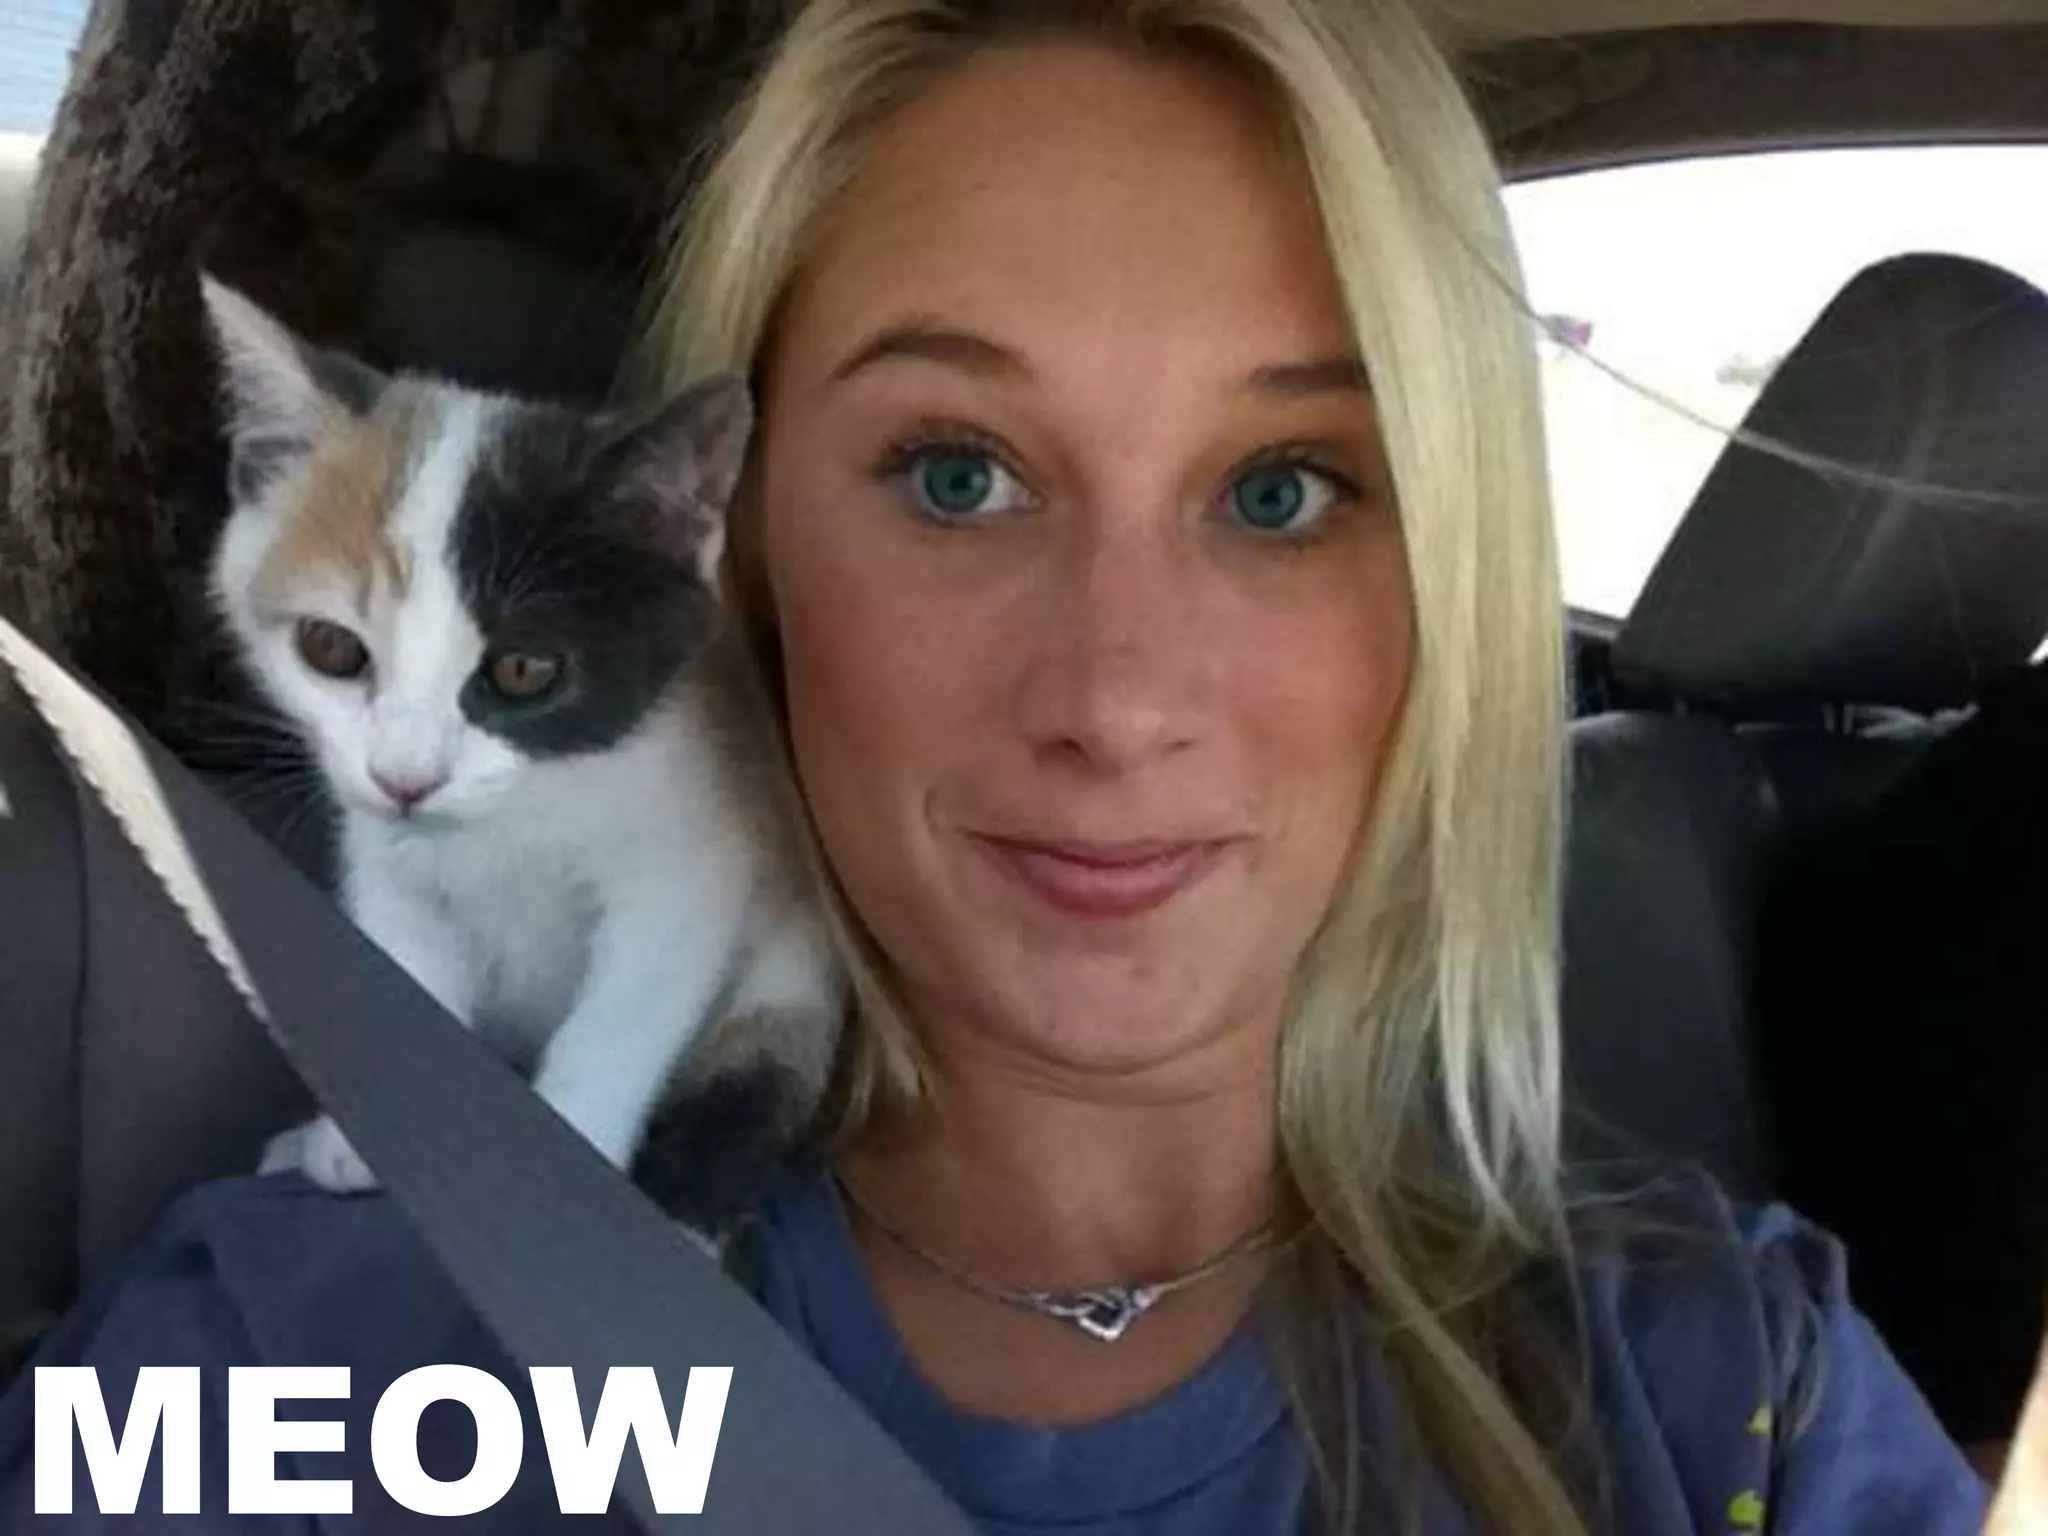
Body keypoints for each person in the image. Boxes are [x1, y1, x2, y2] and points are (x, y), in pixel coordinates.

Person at [0, 0, 2016, 1530]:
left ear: (1451, 592)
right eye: (957, 476)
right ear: (743, 562)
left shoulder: (1726, 1399)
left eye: (1285, 489)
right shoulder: (322, 1355)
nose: (1115, 695)